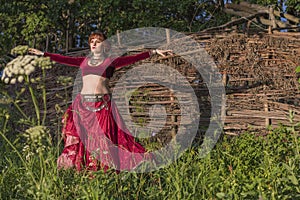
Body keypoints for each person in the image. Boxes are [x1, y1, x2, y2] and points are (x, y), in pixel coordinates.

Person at [29, 32, 171, 172]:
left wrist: (153, 52)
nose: (94, 43)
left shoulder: (110, 62)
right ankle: (86, 168)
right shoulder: (84, 61)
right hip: (83, 106)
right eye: (91, 41)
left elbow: (133, 58)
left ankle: (105, 168)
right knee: (84, 138)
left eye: (98, 41)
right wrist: (43, 54)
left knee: (104, 137)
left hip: (102, 106)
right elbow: (63, 59)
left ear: (104, 45)